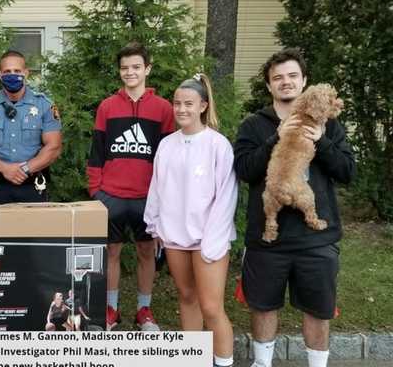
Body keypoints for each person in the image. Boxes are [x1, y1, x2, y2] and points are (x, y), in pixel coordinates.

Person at [234, 48, 355, 367]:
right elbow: (244, 171)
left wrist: (322, 142)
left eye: (292, 76)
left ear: (304, 81)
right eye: (277, 78)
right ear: (269, 85)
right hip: (267, 239)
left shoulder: (328, 124)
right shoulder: (253, 125)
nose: (285, 82)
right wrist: (275, 138)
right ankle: (262, 363)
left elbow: (347, 173)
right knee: (262, 305)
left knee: (318, 308)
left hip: (316, 240)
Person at [144, 73, 237, 367]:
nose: (181, 109)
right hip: (174, 235)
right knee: (186, 297)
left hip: (208, 237)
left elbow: (226, 195)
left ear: (203, 106)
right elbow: (157, 187)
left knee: (211, 307)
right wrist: (154, 223)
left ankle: (222, 362)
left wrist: (214, 239)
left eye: (188, 104)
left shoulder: (218, 145)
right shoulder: (167, 145)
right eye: (177, 103)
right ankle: (193, 360)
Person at [87, 41, 174, 331]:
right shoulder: (107, 107)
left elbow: (168, 156)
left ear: (147, 69)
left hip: (147, 197)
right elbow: (97, 150)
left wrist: (163, 196)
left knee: (146, 252)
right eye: (124, 68)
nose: (130, 72)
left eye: (136, 67)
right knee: (110, 252)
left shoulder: (163, 109)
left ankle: (143, 311)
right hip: (110, 195)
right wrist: (95, 190)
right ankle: (110, 309)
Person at [0, 50, 62, 203]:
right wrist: (4, 168)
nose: (12, 75)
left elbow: (54, 147)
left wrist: (25, 169)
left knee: (35, 228)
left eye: (17, 71)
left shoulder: (44, 105)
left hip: (32, 184)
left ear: (26, 73)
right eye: (7, 71)